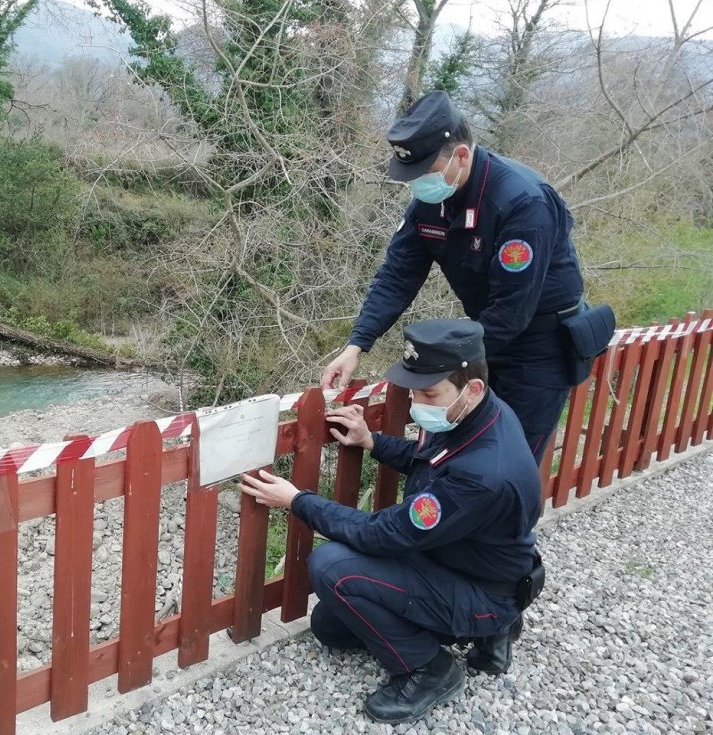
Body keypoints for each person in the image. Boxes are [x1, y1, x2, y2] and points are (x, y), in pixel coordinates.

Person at [241, 319, 543, 725]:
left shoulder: (483, 472)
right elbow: (433, 464)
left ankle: (431, 670)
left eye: (428, 392)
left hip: (482, 588)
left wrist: (297, 500)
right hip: (461, 560)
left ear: (471, 388)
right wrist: (373, 441)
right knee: (330, 628)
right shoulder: (475, 416)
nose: (418, 401)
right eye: (416, 390)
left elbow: (382, 534)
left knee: (331, 569)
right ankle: (485, 630)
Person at [322, 90, 587, 461]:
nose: (417, 186)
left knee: (506, 465)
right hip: (484, 336)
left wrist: (446, 365)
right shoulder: (431, 202)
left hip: (538, 348)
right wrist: (356, 345)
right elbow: (398, 274)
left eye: (424, 174)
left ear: (461, 156)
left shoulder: (523, 202)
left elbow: (513, 311)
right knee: (452, 456)